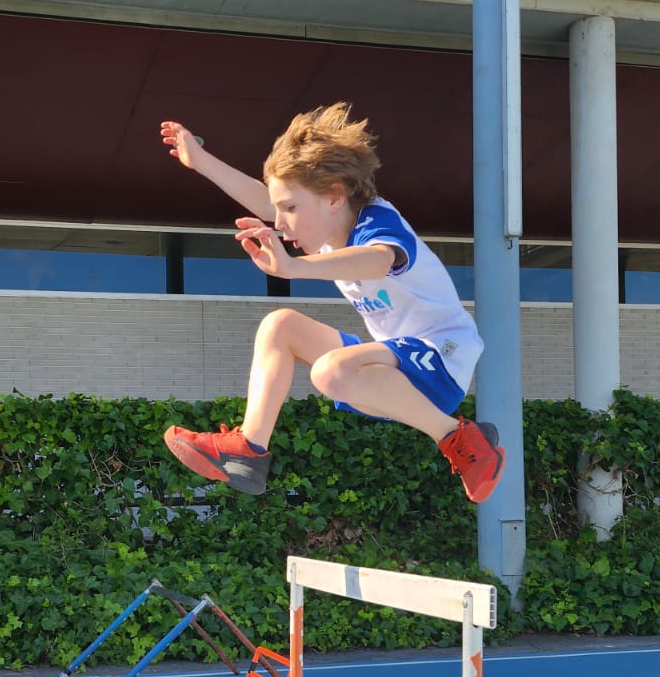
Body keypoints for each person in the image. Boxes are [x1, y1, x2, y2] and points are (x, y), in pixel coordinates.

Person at [159, 103, 504, 504]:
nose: (280, 222)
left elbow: (379, 261)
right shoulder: (327, 224)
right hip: (391, 372)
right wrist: (200, 161)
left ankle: (460, 438)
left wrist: (292, 267)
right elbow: (267, 199)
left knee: (329, 372)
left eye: (290, 209)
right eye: (279, 210)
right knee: (280, 325)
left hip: (440, 361)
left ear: (335, 197)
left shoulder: (377, 221)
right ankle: (249, 451)